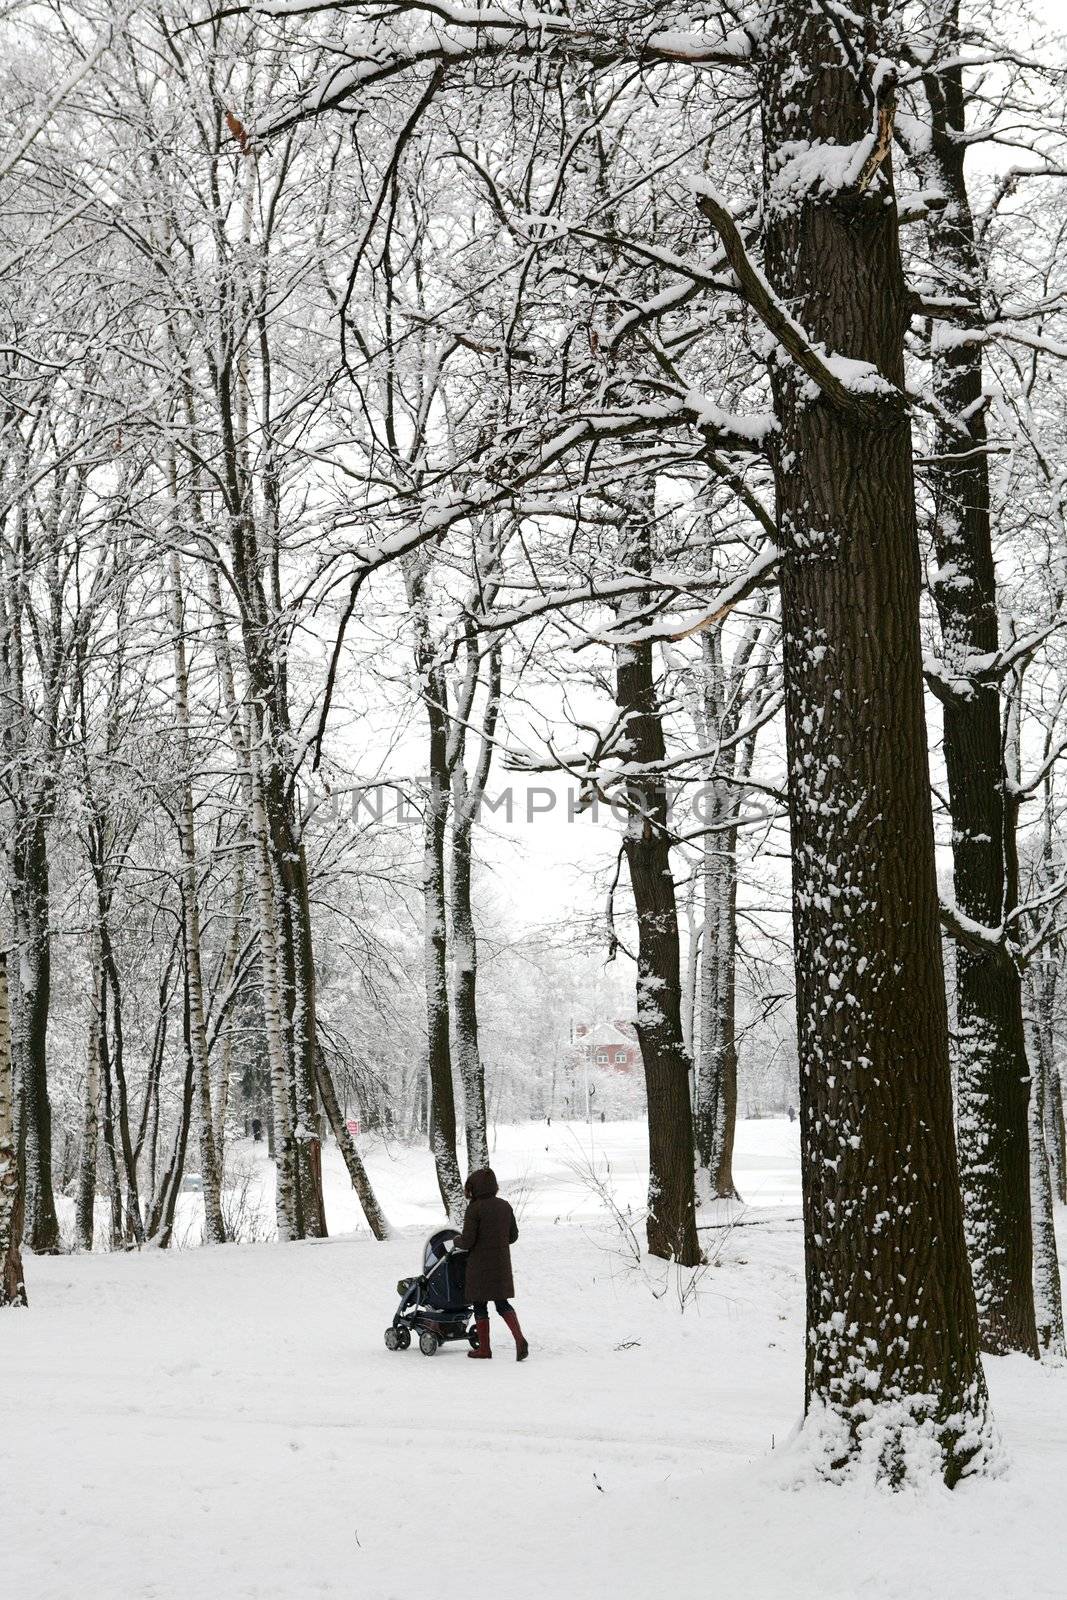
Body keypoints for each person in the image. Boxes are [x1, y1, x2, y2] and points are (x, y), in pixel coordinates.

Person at [450, 1168, 529, 1361]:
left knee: (480, 1305)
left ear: (475, 1188)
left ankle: (484, 1350)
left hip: (479, 1266)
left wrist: (455, 1241)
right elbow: (513, 1236)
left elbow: (468, 1241)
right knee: (502, 1303)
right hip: (501, 1264)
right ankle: (519, 1339)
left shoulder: (474, 1209)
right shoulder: (505, 1206)